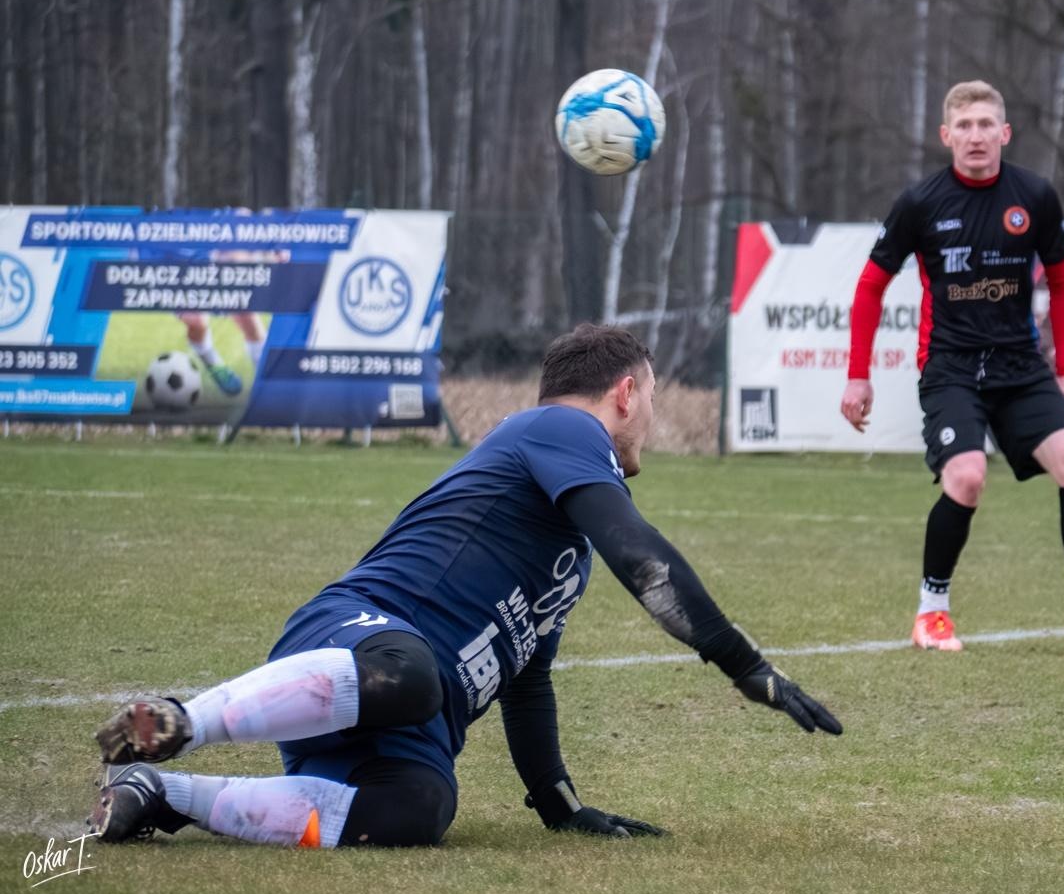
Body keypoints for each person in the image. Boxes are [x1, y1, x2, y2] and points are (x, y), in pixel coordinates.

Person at [89, 324, 842, 848]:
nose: (652, 418)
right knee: (413, 673)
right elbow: (642, 556)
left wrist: (560, 803)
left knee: (421, 808)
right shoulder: (561, 428)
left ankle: (164, 794)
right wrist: (743, 663)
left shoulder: (566, 548)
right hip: (355, 642)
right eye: (652, 398)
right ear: (623, 393)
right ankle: (183, 719)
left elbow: (527, 679)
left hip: (395, 721)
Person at [840, 80, 1064, 659]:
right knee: (968, 476)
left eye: (986, 125)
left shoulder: (1034, 195)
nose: (975, 135)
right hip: (950, 368)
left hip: (1020, 367)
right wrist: (858, 374)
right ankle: (930, 614)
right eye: (964, 125)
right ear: (946, 135)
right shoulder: (921, 202)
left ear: (1004, 133)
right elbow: (871, 286)